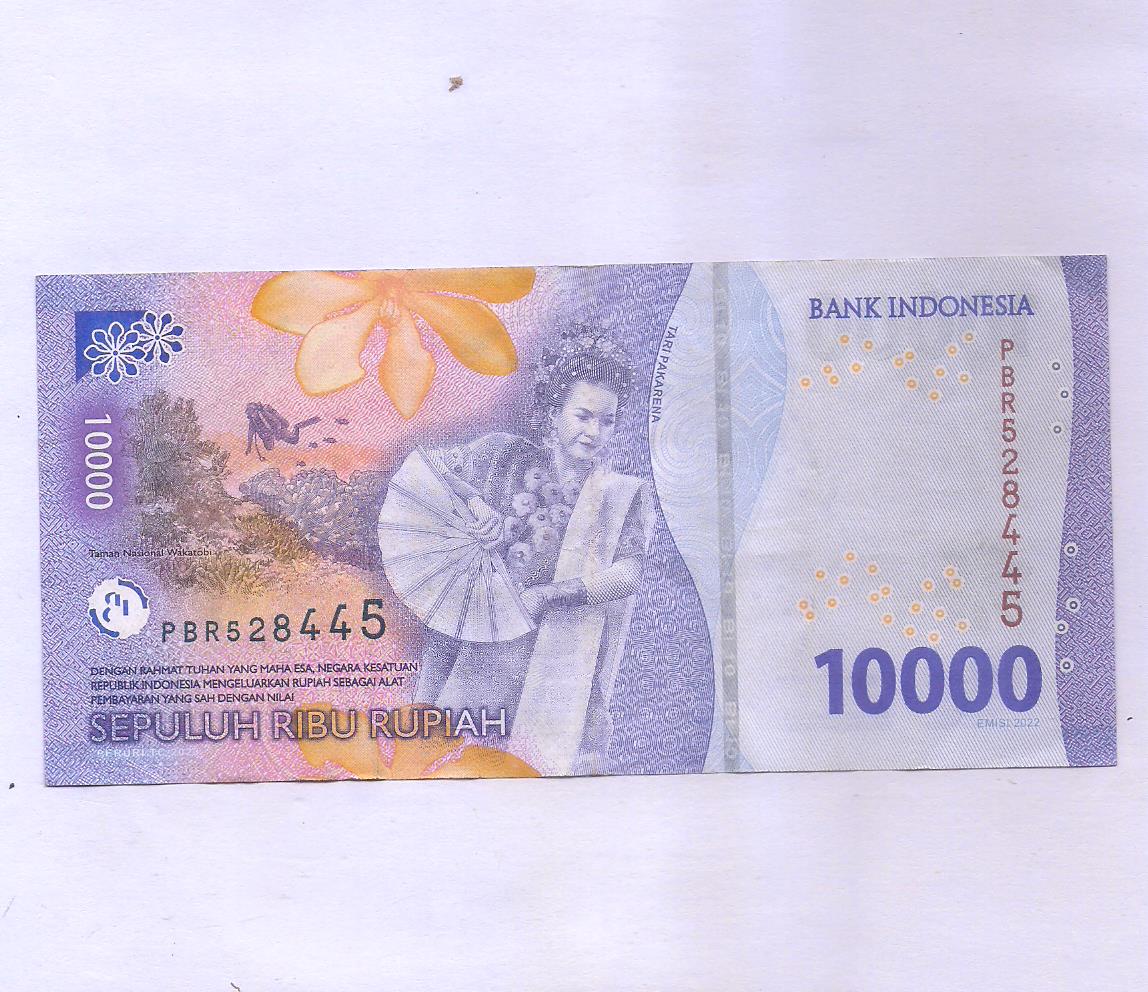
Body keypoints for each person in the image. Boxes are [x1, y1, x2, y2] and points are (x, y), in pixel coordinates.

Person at [406, 331, 653, 774]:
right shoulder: (502, 457)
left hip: (561, 669)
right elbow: (428, 468)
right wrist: (474, 503)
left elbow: (631, 573)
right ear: (554, 412)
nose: (594, 433)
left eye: (608, 421)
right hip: (475, 658)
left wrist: (550, 595)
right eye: (583, 416)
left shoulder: (619, 495)